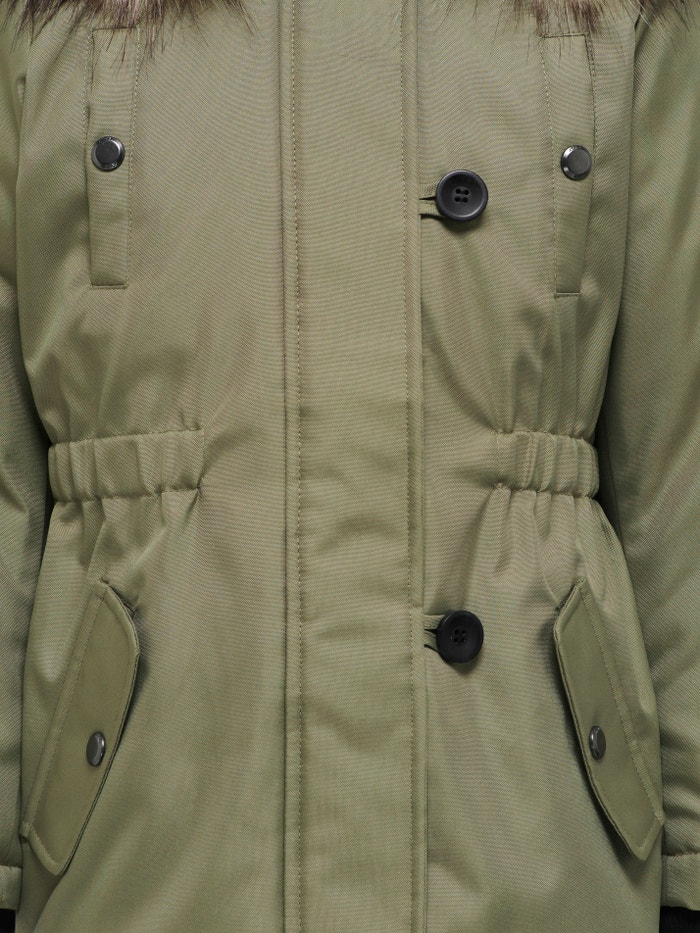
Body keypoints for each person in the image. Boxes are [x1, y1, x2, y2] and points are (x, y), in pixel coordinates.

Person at [0, 0, 698, 929]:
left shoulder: (622, 17)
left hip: (533, 839)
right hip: (147, 844)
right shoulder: (40, 23)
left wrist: (695, 862)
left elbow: (676, 468)